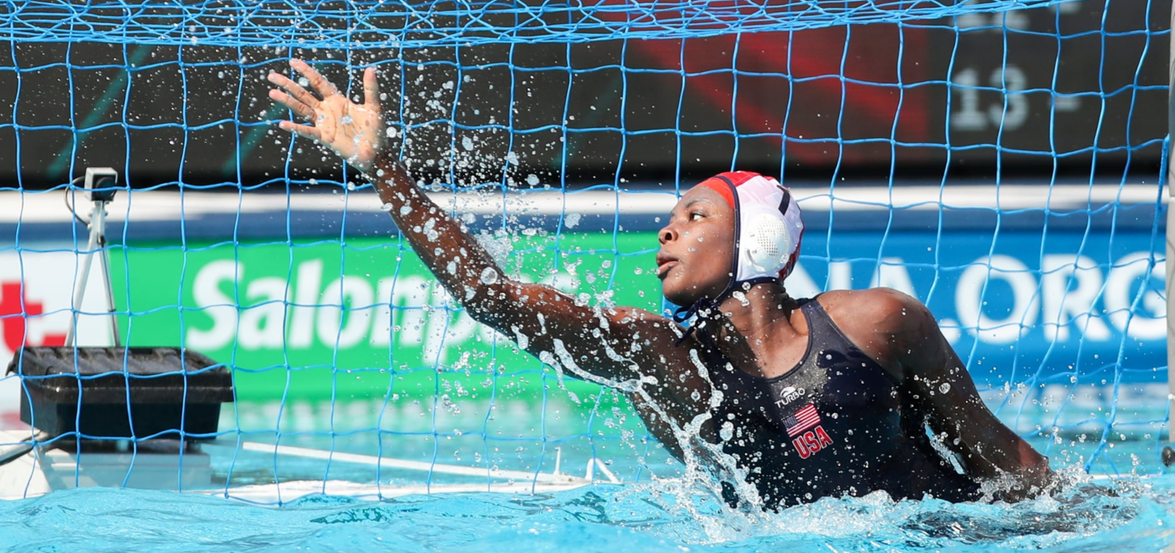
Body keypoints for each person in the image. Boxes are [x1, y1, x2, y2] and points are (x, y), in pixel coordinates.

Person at [267, 59, 1054, 510]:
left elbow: (1001, 460)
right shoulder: (663, 362)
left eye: (694, 215)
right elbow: (491, 297)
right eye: (668, 219)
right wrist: (383, 169)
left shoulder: (878, 322)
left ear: (759, 239)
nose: (665, 231)